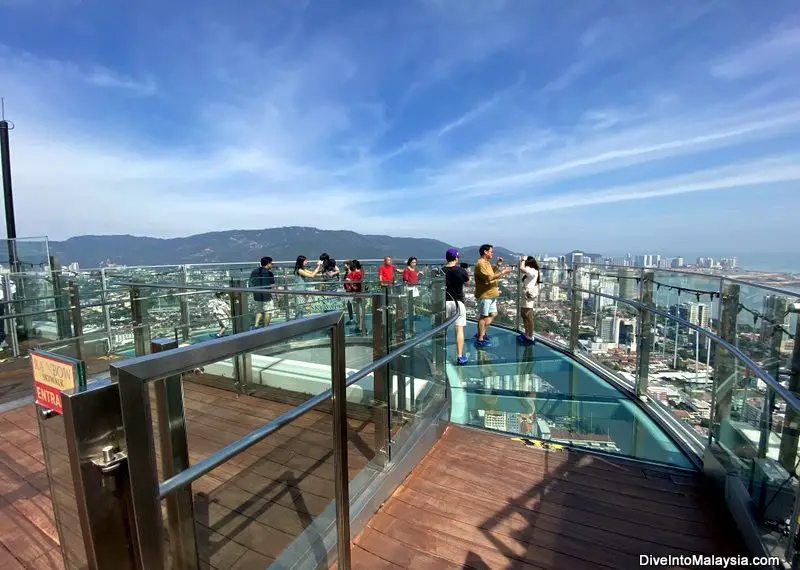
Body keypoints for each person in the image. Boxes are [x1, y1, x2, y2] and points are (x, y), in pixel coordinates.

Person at [474, 244, 511, 348]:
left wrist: (497, 265)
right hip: (485, 295)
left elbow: (490, 273)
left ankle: (482, 333)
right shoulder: (481, 264)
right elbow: (489, 278)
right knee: (483, 316)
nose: (492, 253)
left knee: (493, 314)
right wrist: (503, 272)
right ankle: (480, 338)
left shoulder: (486, 263)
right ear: (485, 252)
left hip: (491, 294)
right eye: (491, 251)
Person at [444, 248, 469, 365]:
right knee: (459, 330)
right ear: (456, 258)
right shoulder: (461, 271)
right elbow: (467, 281)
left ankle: (439, 354)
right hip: (457, 302)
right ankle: (459, 356)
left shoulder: (440, 270)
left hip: (443, 302)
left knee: (441, 329)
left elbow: (432, 284)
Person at [518, 256, 541, 345]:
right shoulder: (532, 271)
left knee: (528, 315)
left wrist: (523, 259)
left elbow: (521, 268)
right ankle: (527, 333)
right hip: (526, 295)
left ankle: (530, 336)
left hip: (528, 296)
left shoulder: (532, 271)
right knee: (524, 315)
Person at [249, 256, 275, 328]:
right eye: (271, 263)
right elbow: (272, 284)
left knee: (259, 310)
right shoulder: (269, 273)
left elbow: (251, 282)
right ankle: (266, 327)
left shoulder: (254, 271)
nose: (272, 265)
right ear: (268, 264)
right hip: (267, 295)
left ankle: (256, 325)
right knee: (268, 311)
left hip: (256, 294)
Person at [344, 259, 366, 333]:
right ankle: (361, 326)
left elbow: (348, 282)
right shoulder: (360, 273)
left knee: (358, 310)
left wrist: (350, 283)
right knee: (359, 310)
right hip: (359, 293)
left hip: (356, 293)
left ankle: (360, 326)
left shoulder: (355, 274)